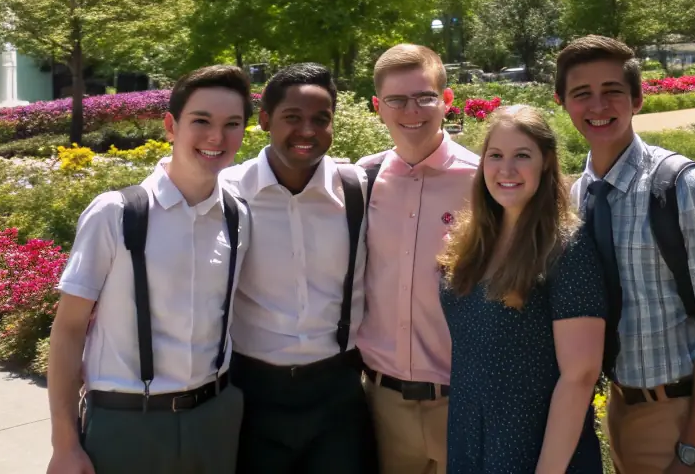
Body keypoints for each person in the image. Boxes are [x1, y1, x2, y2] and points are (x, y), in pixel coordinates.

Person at [46, 64, 252, 474]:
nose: (217, 137)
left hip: (215, 418)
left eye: (232, 124)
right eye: (201, 121)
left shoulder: (238, 216)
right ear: (171, 127)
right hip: (127, 423)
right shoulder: (117, 212)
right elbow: (68, 330)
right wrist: (64, 444)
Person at [557, 36, 695, 474]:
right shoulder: (578, 195)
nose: (598, 105)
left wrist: (692, 452)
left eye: (612, 91)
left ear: (638, 99)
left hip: (690, 414)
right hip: (621, 411)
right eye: (582, 93)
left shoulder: (686, 189)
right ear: (562, 102)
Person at [222, 63, 377, 473]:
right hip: (252, 391)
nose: (307, 130)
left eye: (320, 119)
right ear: (265, 120)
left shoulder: (357, 189)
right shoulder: (228, 194)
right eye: (292, 117)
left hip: (337, 392)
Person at [439, 105, 606, 474]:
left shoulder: (566, 247)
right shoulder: (472, 242)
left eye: (522, 156)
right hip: (470, 439)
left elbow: (580, 375)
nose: (507, 169)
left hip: (536, 450)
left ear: (546, 163)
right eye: (496, 155)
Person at [357, 44, 480, 474]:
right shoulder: (362, 181)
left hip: (461, 401)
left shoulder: (483, 182)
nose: (411, 111)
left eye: (424, 97)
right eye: (396, 100)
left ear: (446, 100)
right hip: (382, 404)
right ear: (378, 107)